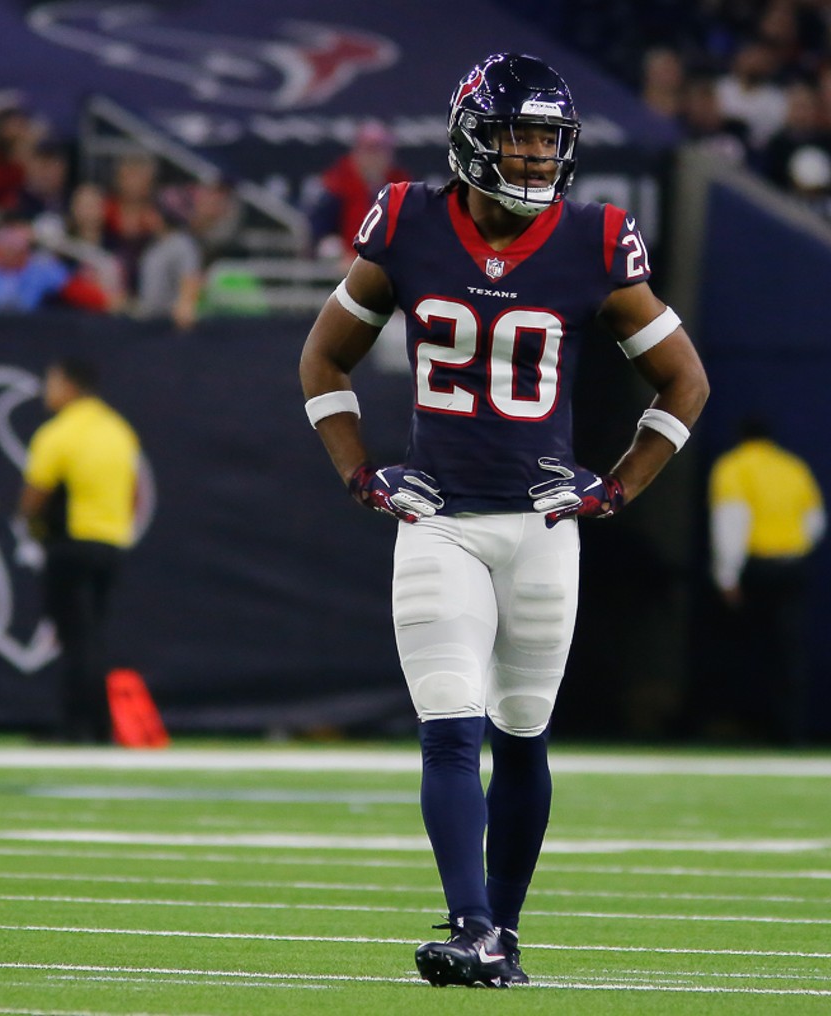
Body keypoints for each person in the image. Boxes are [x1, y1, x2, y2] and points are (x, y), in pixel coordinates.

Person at [298, 53, 708, 989]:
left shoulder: (597, 239)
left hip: (539, 526)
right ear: (472, 135)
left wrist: (619, 487)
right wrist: (362, 474)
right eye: (517, 136)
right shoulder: (405, 219)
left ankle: (506, 936)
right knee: (451, 730)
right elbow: (324, 359)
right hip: (438, 519)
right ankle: (470, 924)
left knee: (522, 732)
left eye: (545, 140)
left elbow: (685, 380)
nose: (531, 157)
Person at [18, 357, 141, 744]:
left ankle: (76, 728)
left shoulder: (59, 433)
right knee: (94, 637)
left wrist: (33, 530)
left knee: (74, 638)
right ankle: (100, 726)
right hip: (112, 544)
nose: (47, 391)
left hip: (71, 545)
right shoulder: (119, 430)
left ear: (70, 387)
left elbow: (34, 498)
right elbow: (136, 493)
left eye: (52, 382)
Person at [707, 417, 824, 745]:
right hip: (793, 566)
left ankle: (751, 727)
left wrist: (727, 574)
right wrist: (795, 548)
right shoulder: (792, 467)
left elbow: (731, 521)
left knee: (752, 650)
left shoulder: (733, 467)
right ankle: (790, 731)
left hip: (756, 569)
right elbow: (815, 521)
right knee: (789, 651)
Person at [307, 120, 410, 265]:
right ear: (356, 152)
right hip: (345, 268)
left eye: (380, 151)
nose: (374, 158)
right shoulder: (336, 186)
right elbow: (318, 233)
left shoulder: (403, 187)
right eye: (369, 150)